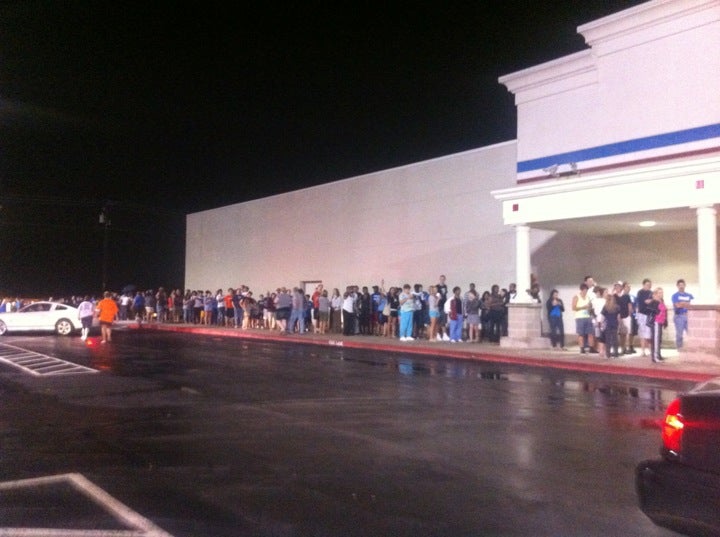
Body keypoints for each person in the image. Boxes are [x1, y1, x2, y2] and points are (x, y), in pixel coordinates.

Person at [647, 287, 668, 363]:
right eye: (659, 292)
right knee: (656, 340)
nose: (661, 294)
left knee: (659, 340)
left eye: (662, 292)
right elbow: (650, 310)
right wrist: (657, 312)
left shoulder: (661, 301)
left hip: (660, 322)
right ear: (656, 294)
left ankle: (658, 355)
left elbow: (664, 311)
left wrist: (665, 321)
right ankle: (655, 357)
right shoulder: (654, 301)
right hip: (656, 322)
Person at [671, 279, 694, 349]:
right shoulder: (675, 295)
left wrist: (682, 303)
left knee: (691, 333)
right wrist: (686, 303)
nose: (681, 286)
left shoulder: (689, 295)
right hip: (679, 316)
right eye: (680, 285)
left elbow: (692, 305)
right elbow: (677, 305)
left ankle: (692, 348)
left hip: (688, 316)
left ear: (685, 285)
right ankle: (679, 348)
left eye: (682, 285)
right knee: (679, 334)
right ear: (677, 286)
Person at [571, 283, 594, 353]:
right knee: (581, 334)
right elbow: (573, 307)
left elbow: (590, 306)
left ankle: (591, 348)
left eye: (586, 290)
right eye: (584, 290)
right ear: (581, 290)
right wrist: (583, 307)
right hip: (580, 317)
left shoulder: (588, 297)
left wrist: (590, 308)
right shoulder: (576, 297)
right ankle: (582, 348)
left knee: (590, 333)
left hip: (588, 317)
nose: (585, 292)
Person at [636, 279, 654, 357]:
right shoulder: (640, 292)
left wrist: (651, 300)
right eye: (647, 284)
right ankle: (643, 351)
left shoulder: (651, 293)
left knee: (649, 333)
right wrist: (651, 300)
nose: (648, 286)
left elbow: (653, 301)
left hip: (649, 314)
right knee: (642, 333)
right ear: (643, 285)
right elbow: (646, 301)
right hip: (642, 314)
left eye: (649, 285)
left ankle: (650, 350)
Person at [601, 292, 621, 358]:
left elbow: (603, 317)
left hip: (608, 324)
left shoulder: (605, 307)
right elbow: (618, 317)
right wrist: (619, 325)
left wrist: (601, 324)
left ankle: (608, 354)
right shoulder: (617, 307)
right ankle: (616, 354)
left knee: (608, 340)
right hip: (615, 324)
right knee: (615, 339)